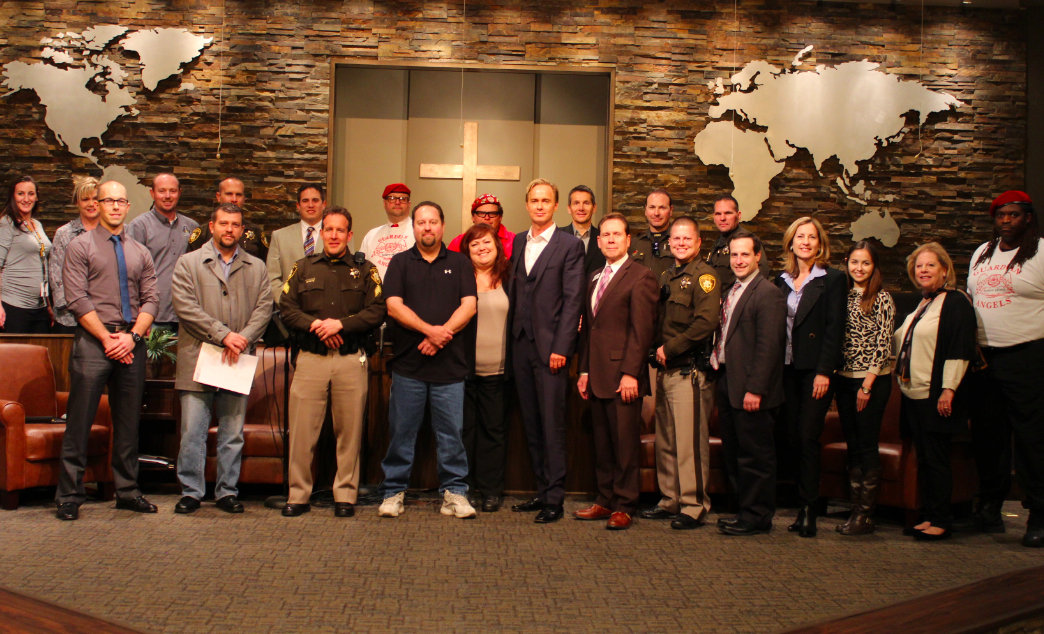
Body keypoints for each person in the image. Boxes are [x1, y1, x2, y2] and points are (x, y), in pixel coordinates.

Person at [55, 180, 159, 520]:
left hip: (131, 342)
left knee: (128, 424)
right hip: (93, 342)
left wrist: (131, 337)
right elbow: (77, 298)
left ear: (128, 207)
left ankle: (127, 491)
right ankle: (70, 495)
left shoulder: (140, 251)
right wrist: (107, 339)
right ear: (97, 205)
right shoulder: (79, 246)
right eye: (108, 200)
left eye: (120, 201)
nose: (115, 206)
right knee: (80, 421)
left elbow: (152, 299)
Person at [279, 206, 386, 517]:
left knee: (349, 433)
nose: (335, 235)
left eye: (341, 230)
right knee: (302, 434)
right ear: (321, 233)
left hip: (350, 361)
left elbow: (377, 310)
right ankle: (298, 495)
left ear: (350, 235)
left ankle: (345, 496)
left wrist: (340, 325)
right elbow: (287, 307)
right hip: (311, 360)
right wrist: (318, 326)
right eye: (329, 229)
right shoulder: (302, 267)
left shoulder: (367, 270)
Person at [378, 201, 478, 520]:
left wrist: (442, 334)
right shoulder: (400, 263)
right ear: (414, 227)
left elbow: (470, 305)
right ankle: (393, 491)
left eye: (433, 222)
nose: (427, 227)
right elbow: (393, 305)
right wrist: (428, 331)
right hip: (409, 367)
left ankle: (455, 493)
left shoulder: (461, 263)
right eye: (421, 222)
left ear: (442, 226)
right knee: (402, 433)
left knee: (451, 435)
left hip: (450, 369)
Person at [170, 203, 272, 514]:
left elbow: (264, 309)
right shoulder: (188, 263)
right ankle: (191, 492)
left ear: (243, 230)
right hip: (198, 356)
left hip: (237, 358)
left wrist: (242, 339)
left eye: (236, 224)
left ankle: (227, 491)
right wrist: (223, 334)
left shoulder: (257, 266)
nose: (229, 229)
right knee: (192, 432)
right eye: (224, 223)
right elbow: (185, 307)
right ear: (212, 226)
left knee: (232, 432)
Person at [968, 191, 1044, 548]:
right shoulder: (982, 254)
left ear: (1028, 218)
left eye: (1014, 215)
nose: (1007, 221)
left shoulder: (1041, 252)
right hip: (985, 358)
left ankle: (1038, 513)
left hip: (1027, 355)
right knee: (988, 436)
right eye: (1001, 215)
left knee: (1031, 439)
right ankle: (990, 507)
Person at [574, 213, 659, 530]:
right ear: (598, 241)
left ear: (627, 240)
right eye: (605, 235)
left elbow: (642, 332)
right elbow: (589, 331)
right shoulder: (594, 276)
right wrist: (583, 371)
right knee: (604, 444)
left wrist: (630, 374)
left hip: (623, 376)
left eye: (616, 234)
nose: (610, 239)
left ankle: (624, 504)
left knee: (624, 445)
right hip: (596, 374)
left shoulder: (641, 277)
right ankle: (605, 499)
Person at [509, 178, 584, 524]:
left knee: (553, 425)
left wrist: (562, 348)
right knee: (532, 424)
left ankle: (555, 498)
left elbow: (573, 302)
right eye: (534, 200)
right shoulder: (519, 241)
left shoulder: (569, 245)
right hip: (521, 346)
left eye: (546, 200)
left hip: (551, 349)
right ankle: (541, 491)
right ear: (526, 204)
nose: (539, 206)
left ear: (556, 206)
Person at [894, 242, 976, 541]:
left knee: (938, 458)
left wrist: (948, 389)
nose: (923, 270)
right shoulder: (923, 304)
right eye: (919, 266)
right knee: (925, 458)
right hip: (913, 393)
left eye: (930, 265)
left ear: (945, 270)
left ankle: (942, 519)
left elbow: (959, 348)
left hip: (936, 395)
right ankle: (928, 514)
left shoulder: (955, 302)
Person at [643, 216, 720, 529]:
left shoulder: (705, 276)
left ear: (698, 242)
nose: (681, 243)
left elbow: (705, 323)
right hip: (665, 370)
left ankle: (694, 504)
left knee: (689, 443)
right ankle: (670, 498)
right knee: (667, 441)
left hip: (688, 370)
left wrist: (669, 348)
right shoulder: (668, 274)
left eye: (687, 239)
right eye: (676, 239)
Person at [774, 216, 845, 538]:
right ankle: (799, 503)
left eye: (811, 237)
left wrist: (824, 372)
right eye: (800, 236)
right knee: (790, 437)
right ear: (791, 242)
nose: (805, 242)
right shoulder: (781, 280)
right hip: (786, 369)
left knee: (807, 437)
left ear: (820, 244)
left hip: (814, 372)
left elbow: (834, 330)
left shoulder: (831, 280)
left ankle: (809, 510)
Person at [712, 230, 786, 536]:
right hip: (729, 381)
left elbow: (769, 347)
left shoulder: (768, 293)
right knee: (735, 452)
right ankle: (745, 510)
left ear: (758, 256)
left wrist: (755, 389)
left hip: (752, 389)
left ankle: (756, 516)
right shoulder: (733, 289)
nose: (738, 260)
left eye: (745, 254)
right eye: (734, 254)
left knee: (755, 456)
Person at [834, 241, 895, 535]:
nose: (859, 268)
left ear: (875, 267)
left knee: (867, 443)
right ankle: (854, 509)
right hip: (844, 379)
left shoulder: (882, 298)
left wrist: (868, 384)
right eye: (854, 262)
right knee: (853, 444)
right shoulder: (842, 296)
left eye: (866, 263)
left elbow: (884, 344)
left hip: (870, 381)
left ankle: (865, 514)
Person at [460, 222, 512, 512]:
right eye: (475, 244)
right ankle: (464, 488)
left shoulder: (511, 276)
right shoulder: (460, 277)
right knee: (464, 432)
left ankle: (492, 491)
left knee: (493, 433)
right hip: (464, 371)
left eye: (487, 243)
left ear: (497, 246)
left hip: (499, 372)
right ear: (467, 249)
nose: (481, 248)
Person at [126, 173, 199, 330]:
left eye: (172, 191)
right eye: (162, 191)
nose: (167, 196)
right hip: (152, 316)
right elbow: (130, 273)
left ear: (179, 192)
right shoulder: (139, 226)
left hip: (186, 315)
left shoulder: (192, 227)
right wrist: (138, 311)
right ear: (152, 193)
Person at [0, 176, 51, 333]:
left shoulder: (37, 225)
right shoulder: (6, 223)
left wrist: (48, 304)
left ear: (36, 197)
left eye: (31, 193)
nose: (26, 198)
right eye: (21, 194)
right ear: (13, 197)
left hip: (40, 307)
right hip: (14, 306)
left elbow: (42, 264)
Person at [50, 176, 100, 334]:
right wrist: (77, 308)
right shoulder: (64, 234)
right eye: (85, 199)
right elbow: (56, 275)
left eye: (95, 199)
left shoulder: (114, 232)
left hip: (104, 318)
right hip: (69, 318)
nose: (91, 204)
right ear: (77, 202)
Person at [267, 184, 326, 304]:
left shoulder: (337, 236)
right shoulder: (279, 236)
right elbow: (271, 278)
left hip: (326, 313)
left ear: (323, 204)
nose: (310, 205)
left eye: (315, 200)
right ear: (298, 206)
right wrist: (287, 304)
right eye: (305, 201)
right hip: (289, 311)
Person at [187, 177, 268, 260]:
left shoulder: (256, 232)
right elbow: (191, 263)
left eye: (238, 195)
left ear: (244, 199)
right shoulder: (203, 232)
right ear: (218, 196)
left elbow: (264, 266)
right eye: (229, 194)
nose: (234, 199)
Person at [706, 195, 769, 288]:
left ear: (738, 215)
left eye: (728, 213)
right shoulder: (718, 242)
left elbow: (760, 277)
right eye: (718, 214)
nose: (722, 218)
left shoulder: (748, 240)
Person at [358, 183, 415, 280]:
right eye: (392, 198)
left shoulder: (418, 232)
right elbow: (361, 269)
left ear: (409, 204)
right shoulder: (371, 235)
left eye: (403, 199)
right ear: (385, 203)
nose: (397, 202)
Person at [448, 193, 515, 258]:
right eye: (481, 213)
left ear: (500, 218)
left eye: (492, 214)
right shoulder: (458, 242)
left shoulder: (514, 240)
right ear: (473, 217)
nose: (487, 218)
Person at [629, 189, 675, 281]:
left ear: (670, 210)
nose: (656, 213)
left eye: (662, 207)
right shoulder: (634, 243)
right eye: (652, 207)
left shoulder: (679, 242)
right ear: (645, 210)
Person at [558, 184, 605, 276]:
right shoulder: (557, 237)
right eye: (576, 203)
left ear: (594, 208)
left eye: (586, 203)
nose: (581, 208)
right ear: (569, 208)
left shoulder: (604, 238)